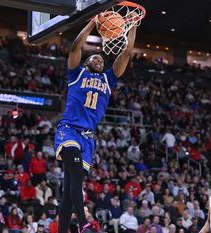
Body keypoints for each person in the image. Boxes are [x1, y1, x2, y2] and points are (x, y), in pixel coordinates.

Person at [55, 12, 138, 233]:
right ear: (87, 62)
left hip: (89, 138)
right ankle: (83, 222)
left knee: (68, 191)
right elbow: (75, 48)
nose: (99, 59)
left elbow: (127, 52)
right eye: (95, 58)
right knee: (74, 179)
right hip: (69, 130)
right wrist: (93, 22)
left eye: (102, 59)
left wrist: (133, 25)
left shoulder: (108, 79)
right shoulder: (76, 74)